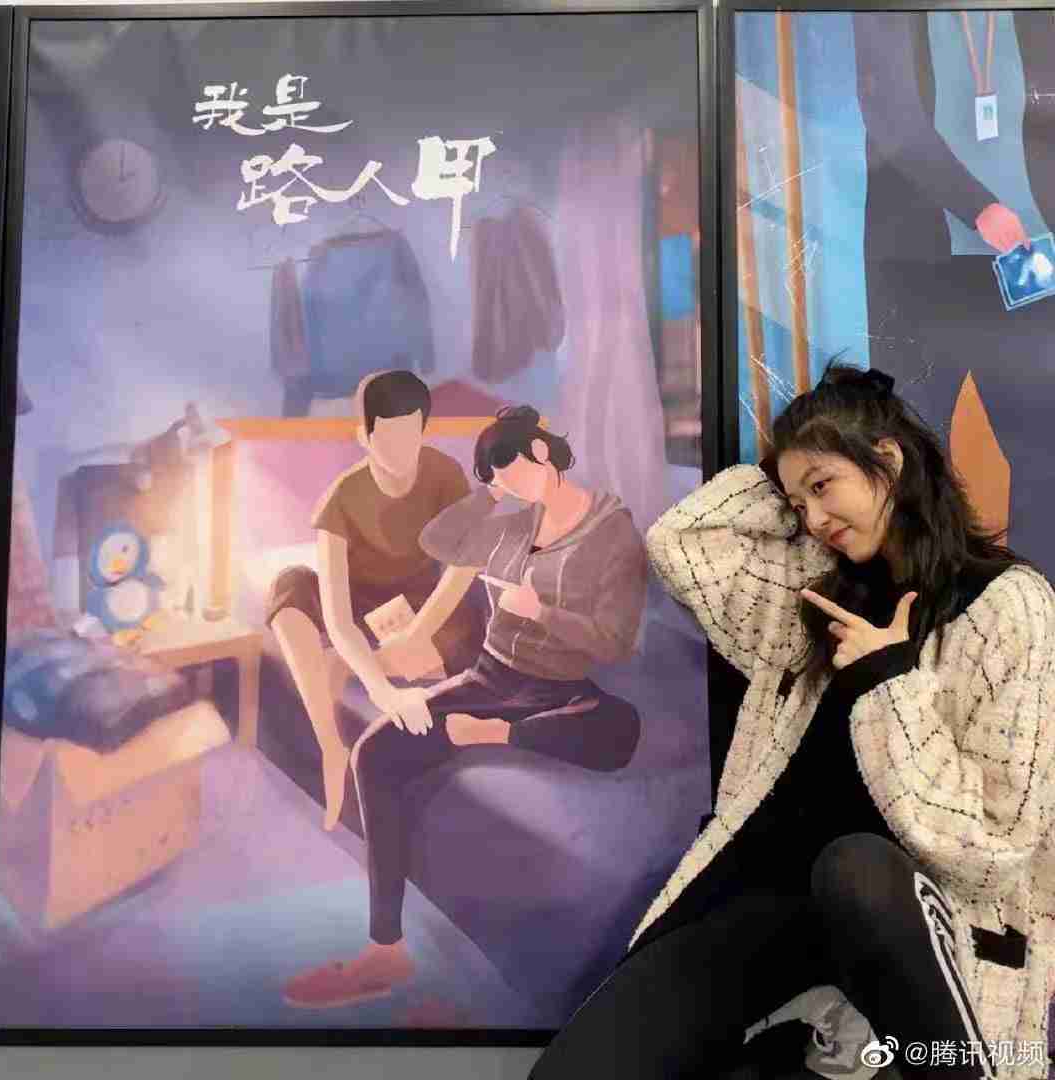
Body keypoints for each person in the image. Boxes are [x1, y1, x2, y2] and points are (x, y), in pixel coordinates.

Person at [528, 363, 1055, 1079]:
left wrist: (890, 682)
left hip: (903, 918)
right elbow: (681, 543)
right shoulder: (811, 595)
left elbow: (997, 845)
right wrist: (787, 478)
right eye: (796, 502)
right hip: (768, 901)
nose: (812, 519)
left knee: (854, 866)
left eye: (824, 487)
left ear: (889, 460)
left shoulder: (1006, 603)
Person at [281, 405, 648, 1008]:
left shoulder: (613, 535)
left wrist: (543, 612)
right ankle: (386, 951)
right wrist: (490, 493)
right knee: (373, 751)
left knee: (618, 730)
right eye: (497, 482)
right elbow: (437, 541)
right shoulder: (514, 522)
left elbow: (617, 643)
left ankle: (501, 735)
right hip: (487, 677)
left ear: (541, 454)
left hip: (555, 686)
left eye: (510, 474)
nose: (507, 489)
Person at [854, 11, 1055, 566]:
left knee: (1045, 453)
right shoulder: (890, 16)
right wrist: (978, 206)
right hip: (922, 269)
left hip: (1029, 261)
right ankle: (923, 602)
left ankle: (1038, 602)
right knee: (909, 458)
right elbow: (890, 115)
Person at [266, 369, 485, 830]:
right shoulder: (340, 499)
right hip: (357, 607)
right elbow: (337, 617)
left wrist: (417, 633)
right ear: (363, 436)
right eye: (387, 436)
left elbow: (467, 560)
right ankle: (331, 745)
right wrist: (380, 688)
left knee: (471, 621)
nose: (401, 449)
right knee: (288, 584)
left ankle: (345, 665)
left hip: (416, 607)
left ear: (423, 430)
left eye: (411, 433)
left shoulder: (444, 473)